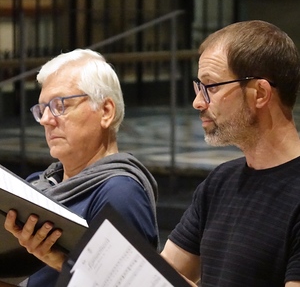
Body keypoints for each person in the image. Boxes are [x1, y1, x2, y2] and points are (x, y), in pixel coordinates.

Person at [0, 49, 159, 287]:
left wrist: (63, 262)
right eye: (42, 108)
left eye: (59, 105)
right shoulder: (39, 183)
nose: (45, 119)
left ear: (106, 111)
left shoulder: (120, 193)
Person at [161, 20, 300, 287]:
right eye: (198, 87)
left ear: (260, 93)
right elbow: (161, 273)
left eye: (211, 87)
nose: (198, 102)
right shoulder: (219, 183)